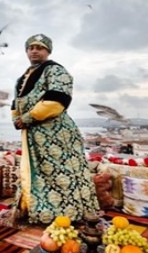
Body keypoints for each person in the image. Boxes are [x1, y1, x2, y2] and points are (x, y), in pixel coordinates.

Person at [10, 33, 100, 224]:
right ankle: (40, 210)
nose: (34, 51)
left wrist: (27, 118)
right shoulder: (21, 78)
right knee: (39, 173)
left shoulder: (56, 70)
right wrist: (16, 118)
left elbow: (58, 100)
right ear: (26, 51)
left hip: (57, 133)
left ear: (48, 51)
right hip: (33, 135)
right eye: (31, 47)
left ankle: (67, 217)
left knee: (62, 173)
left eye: (39, 47)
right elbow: (16, 103)